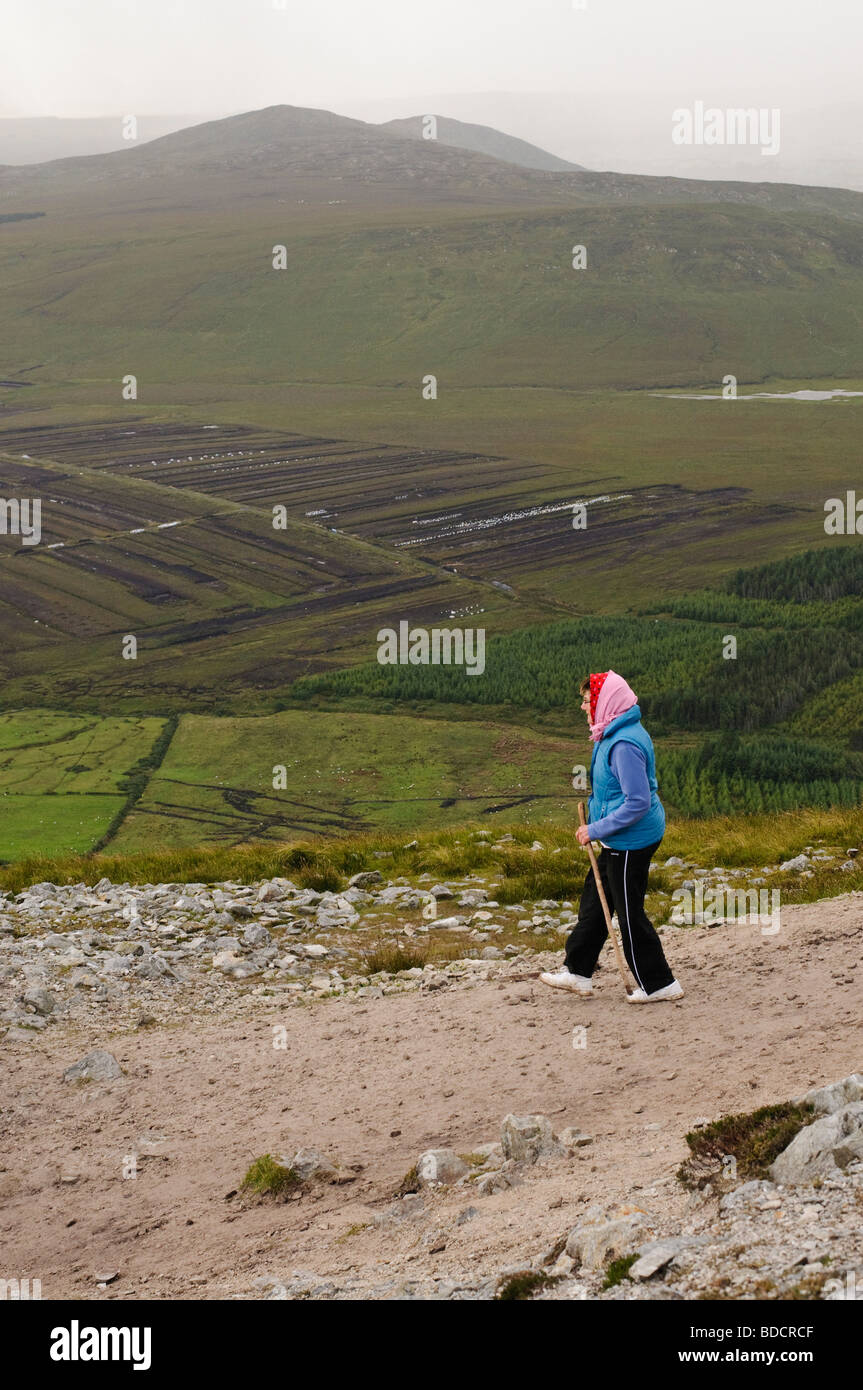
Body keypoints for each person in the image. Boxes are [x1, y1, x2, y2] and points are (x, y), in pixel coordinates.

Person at [541, 670, 683, 1003]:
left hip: (631, 840)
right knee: (595, 903)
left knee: (628, 912)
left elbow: (637, 802)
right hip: (619, 837)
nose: (582, 706)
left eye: (587, 700)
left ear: (605, 701)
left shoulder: (623, 744)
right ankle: (578, 972)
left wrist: (596, 829)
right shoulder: (611, 732)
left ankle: (660, 983)